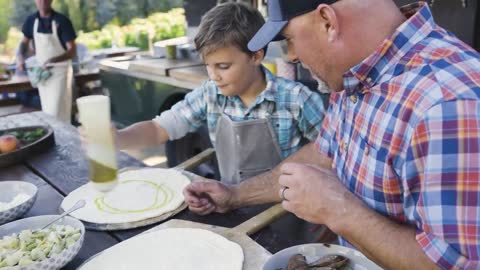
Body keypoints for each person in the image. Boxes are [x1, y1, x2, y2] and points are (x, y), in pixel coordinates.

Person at [183, 0, 480, 269]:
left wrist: (339, 210)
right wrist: (234, 195)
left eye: (288, 39)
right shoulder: (355, 74)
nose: (293, 55)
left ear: (327, 21)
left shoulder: (448, 103)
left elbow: (458, 264)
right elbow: (325, 152)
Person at [103, 2, 326, 185]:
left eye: (223, 66)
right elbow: (159, 128)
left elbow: (330, 155)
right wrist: (120, 138)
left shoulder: (296, 99)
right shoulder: (210, 95)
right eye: (208, 66)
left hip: (288, 213)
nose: (213, 76)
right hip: (231, 204)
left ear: (256, 56)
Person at [17, 0, 77, 122]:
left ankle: (64, 138)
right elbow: (24, 43)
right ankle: (56, 139)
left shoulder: (62, 21)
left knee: (57, 110)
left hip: (60, 72)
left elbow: (72, 51)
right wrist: (21, 57)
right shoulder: (31, 21)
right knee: (48, 111)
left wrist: (53, 60)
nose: (43, 1)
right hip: (42, 74)